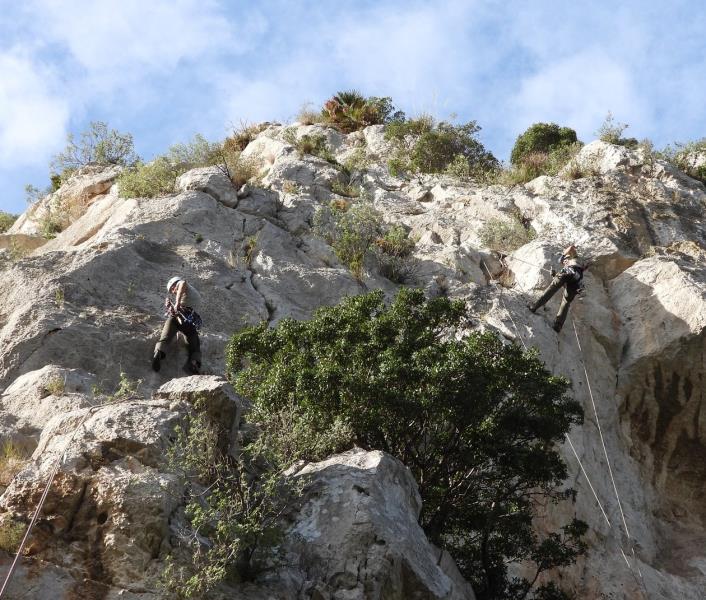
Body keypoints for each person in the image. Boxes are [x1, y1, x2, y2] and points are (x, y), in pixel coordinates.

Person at [528, 245, 585, 332]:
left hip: (570, 276)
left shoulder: (574, 258)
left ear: (568, 258)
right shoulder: (577, 267)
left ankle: (534, 306)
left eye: (565, 260)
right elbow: (565, 283)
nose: (564, 262)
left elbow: (571, 248)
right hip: (576, 283)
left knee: (551, 290)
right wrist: (554, 275)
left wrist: (562, 255)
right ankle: (558, 326)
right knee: (566, 302)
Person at [152, 276, 203, 374]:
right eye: (171, 291)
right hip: (188, 321)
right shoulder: (190, 295)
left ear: (175, 283)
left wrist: (177, 303)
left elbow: (182, 283)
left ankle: (158, 351)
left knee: (165, 337)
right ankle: (194, 363)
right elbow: (180, 307)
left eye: (172, 288)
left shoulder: (183, 284)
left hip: (181, 317)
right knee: (194, 343)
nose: (173, 291)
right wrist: (170, 307)